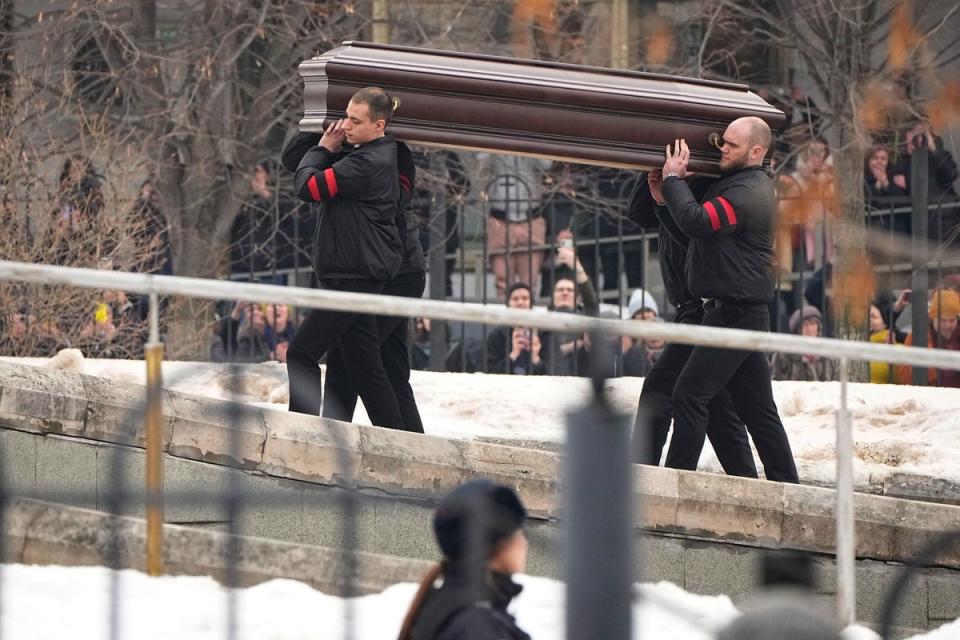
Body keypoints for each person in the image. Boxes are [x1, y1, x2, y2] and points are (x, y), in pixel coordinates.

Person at [658, 118, 799, 483]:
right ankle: (787, 487)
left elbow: (698, 223)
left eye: (731, 145)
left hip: (735, 317)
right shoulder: (737, 183)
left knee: (688, 395)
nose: (722, 147)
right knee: (758, 411)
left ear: (756, 151)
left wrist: (674, 181)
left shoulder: (748, 192)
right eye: (723, 141)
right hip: (734, 314)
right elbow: (695, 236)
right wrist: (664, 199)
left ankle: (676, 484)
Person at [282, 111, 426, 433]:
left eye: (354, 119)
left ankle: (391, 445)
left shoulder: (384, 156)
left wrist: (332, 160)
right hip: (368, 268)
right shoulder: (348, 145)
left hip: (393, 273)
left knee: (358, 362)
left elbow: (393, 197)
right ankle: (402, 442)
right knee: (369, 364)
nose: (347, 124)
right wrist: (321, 132)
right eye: (344, 115)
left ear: (379, 123)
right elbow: (292, 159)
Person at [627, 172, 757, 477]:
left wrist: (673, 188)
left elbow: (693, 233)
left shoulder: (706, 188)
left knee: (660, 390)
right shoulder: (675, 185)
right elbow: (637, 212)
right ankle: (748, 481)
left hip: (701, 307)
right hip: (691, 307)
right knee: (716, 408)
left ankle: (647, 478)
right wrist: (656, 180)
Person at [397, 479, 531, 640]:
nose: (524, 542)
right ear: (498, 542)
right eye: (519, 532)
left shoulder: (442, 603)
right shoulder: (479, 627)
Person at [481, 154, 551, 298]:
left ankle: (528, 318)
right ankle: (506, 319)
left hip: (531, 217)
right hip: (500, 218)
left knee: (529, 281)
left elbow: (547, 165)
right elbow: (481, 167)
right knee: (503, 282)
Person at [895, 289, 960, 387]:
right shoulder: (918, 336)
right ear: (933, 317)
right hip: (932, 395)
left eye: (952, 320)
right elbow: (903, 376)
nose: (947, 325)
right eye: (942, 320)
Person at [485, 282, 545, 375]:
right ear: (508, 305)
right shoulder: (496, 335)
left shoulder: (545, 333)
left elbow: (557, 374)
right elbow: (488, 373)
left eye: (525, 298)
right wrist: (513, 355)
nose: (520, 302)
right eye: (515, 299)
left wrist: (536, 359)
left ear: (532, 304)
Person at [769, 305, 838, 382]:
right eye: (805, 324)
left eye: (812, 324)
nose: (809, 329)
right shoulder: (783, 356)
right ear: (798, 329)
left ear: (818, 327)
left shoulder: (828, 356)